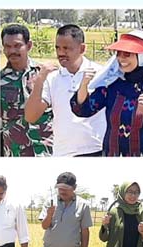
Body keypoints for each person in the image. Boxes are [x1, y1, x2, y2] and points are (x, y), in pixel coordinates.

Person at [71, 30, 143, 157]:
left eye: (127, 54)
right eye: (118, 53)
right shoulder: (112, 83)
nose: (121, 59)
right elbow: (84, 110)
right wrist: (84, 85)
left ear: (142, 57)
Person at [24, 24, 106, 156]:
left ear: (82, 48)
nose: (61, 53)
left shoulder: (100, 74)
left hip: (96, 150)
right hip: (63, 153)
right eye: (58, 48)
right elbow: (31, 116)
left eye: (66, 48)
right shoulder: (52, 77)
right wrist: (40, 80)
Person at [0, 23, 53, 156]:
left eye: (17, 46)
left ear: (28, 46)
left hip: (45, 150)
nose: (12, 51)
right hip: (15, 151)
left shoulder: (46, 74)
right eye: (8, 46)